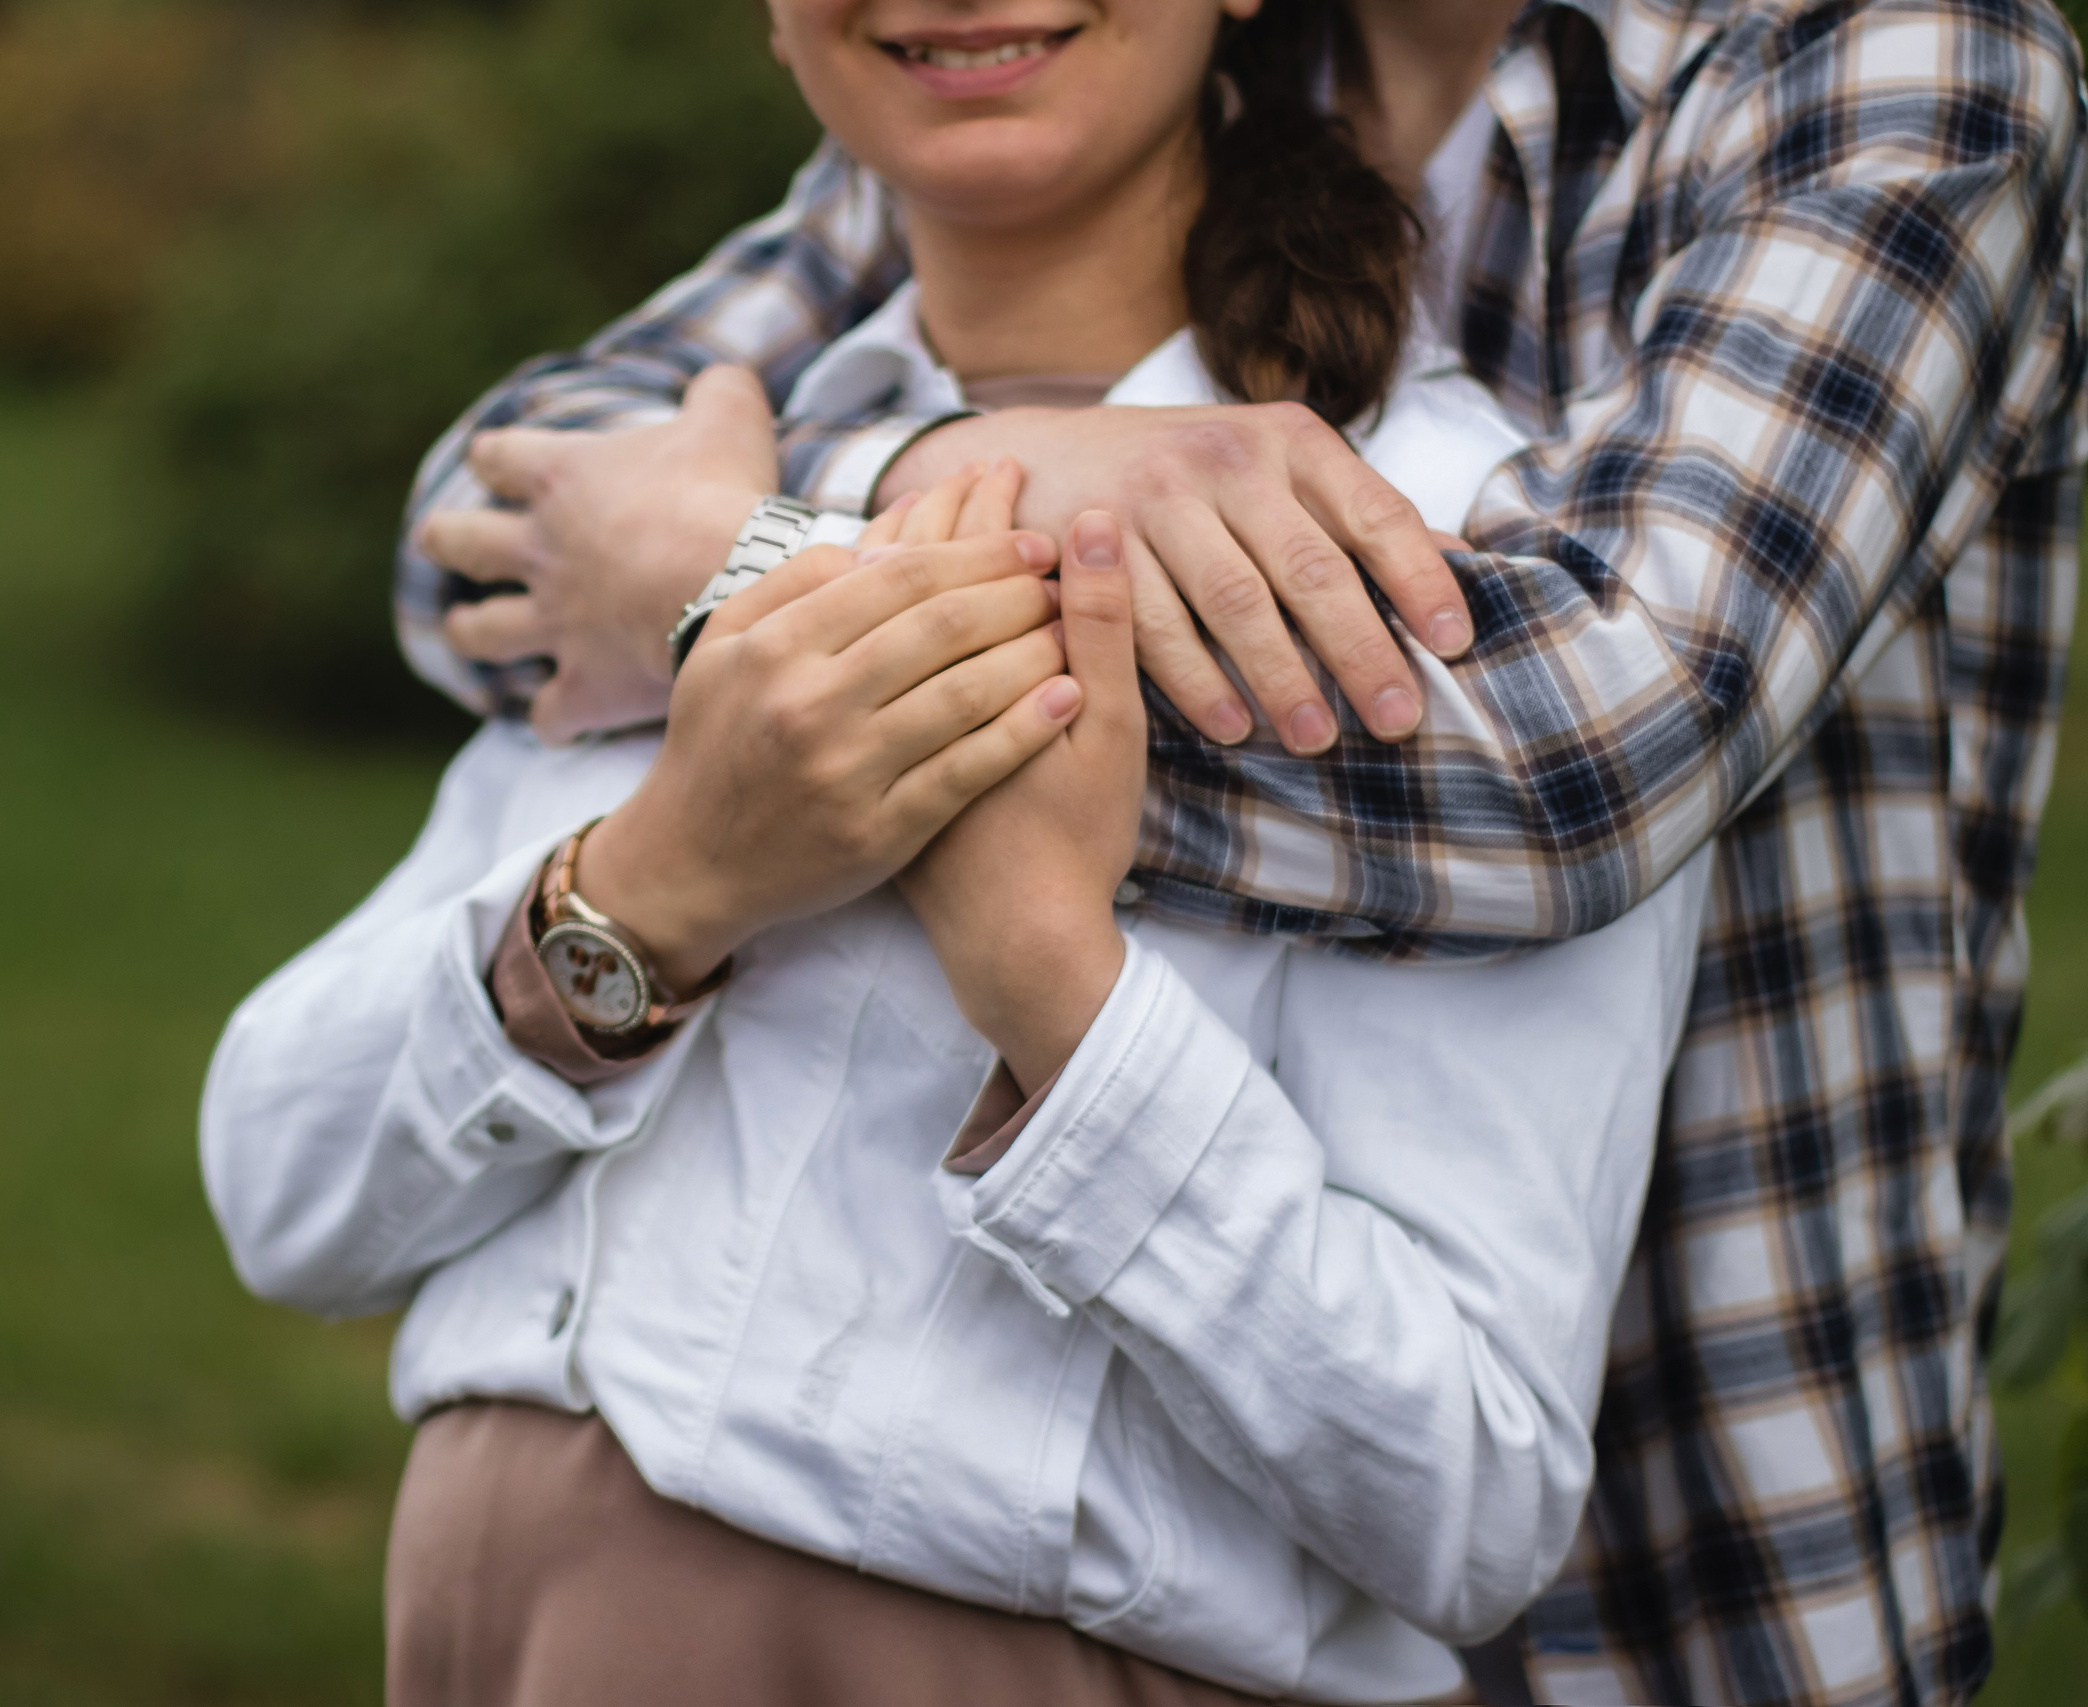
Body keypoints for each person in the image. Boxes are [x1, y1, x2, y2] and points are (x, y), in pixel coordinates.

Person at [399, 1, 2088, 1701]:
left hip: (1711, 1503)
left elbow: (1585, 756)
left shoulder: (1895, 64)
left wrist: (753, 563)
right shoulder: (1134, 46)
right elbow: (491, 536)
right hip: (1211, 1505)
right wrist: (971, 468)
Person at [204, 1, 1715, 1701]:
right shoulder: (680, 489)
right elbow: (284, 1196)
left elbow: (1472, 1498)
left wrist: (1056, 998)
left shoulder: (1422, 556)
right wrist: (663, 885)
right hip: (482, 1643)